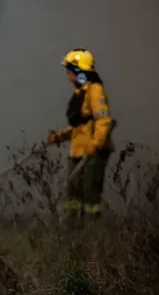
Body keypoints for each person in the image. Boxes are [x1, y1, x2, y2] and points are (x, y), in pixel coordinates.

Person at [47, 48, 115, 220]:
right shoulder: (80, 92)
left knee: (90, 194)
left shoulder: (95, 90)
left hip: (92, 152)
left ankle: (91, 235)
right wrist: (60, 136)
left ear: (80, 71)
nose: (68, 75)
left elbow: (103, 120)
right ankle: (72, 233)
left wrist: (96, 144)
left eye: (70, 71)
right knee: (73, 192)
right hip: (78, 150)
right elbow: (80, 126)